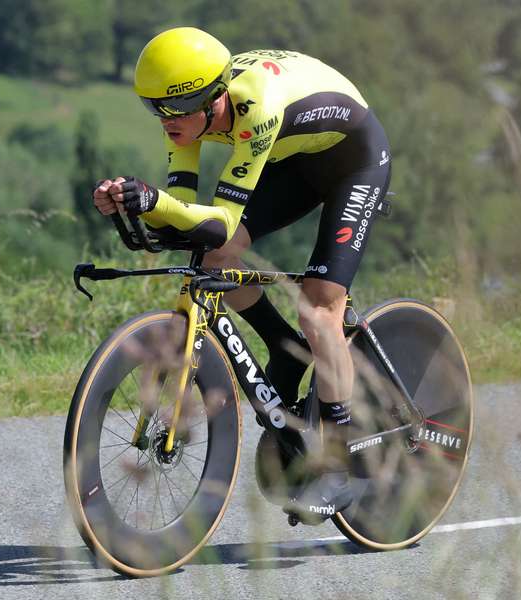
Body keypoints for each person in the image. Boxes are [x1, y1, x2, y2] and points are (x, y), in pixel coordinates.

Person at [92, 27, 391, 524]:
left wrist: (155, 201)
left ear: (214, 97)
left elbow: (220, 220)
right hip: (295, 160)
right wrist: (132, 202)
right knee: (213, 259)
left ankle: (342, 455)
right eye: (156, 108)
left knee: (318, 311)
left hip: (354, 163)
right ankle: (282, 349)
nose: (168, 121)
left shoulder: (257, 107)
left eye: (179, 106)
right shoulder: (186, 118)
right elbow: (185, 212)